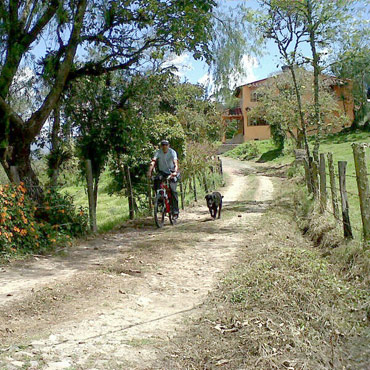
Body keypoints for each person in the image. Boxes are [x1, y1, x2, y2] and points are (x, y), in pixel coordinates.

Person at [147, 140, 180, 217]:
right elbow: (153, 162)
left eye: (166, 145)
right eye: (163, 145)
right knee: (156, 182)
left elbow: (175, 162)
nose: (164, 147)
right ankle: (160, 200)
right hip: (162, 172)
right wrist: (149, 171)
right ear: (161, 146)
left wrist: (175, 171)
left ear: (168, 145)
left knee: (173, 190)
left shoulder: (172, 152)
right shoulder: (158, 152)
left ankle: (175, 210)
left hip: (171, 172)